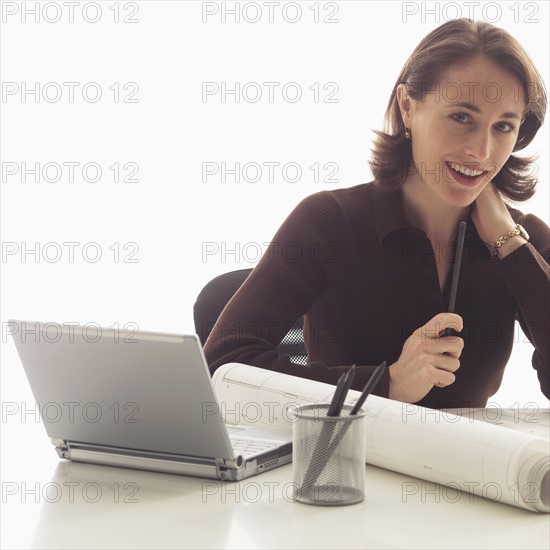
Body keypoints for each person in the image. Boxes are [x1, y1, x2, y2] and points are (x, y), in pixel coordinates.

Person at [203, 18, 549, 409]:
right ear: (407, 107)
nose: (481, 151)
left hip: (469, 469)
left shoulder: (521, 240)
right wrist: (389, 384)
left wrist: (509, 244)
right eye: (461, 117)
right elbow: (224, 363)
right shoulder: (328, 222)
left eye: (503, 126)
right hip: (347, 464)